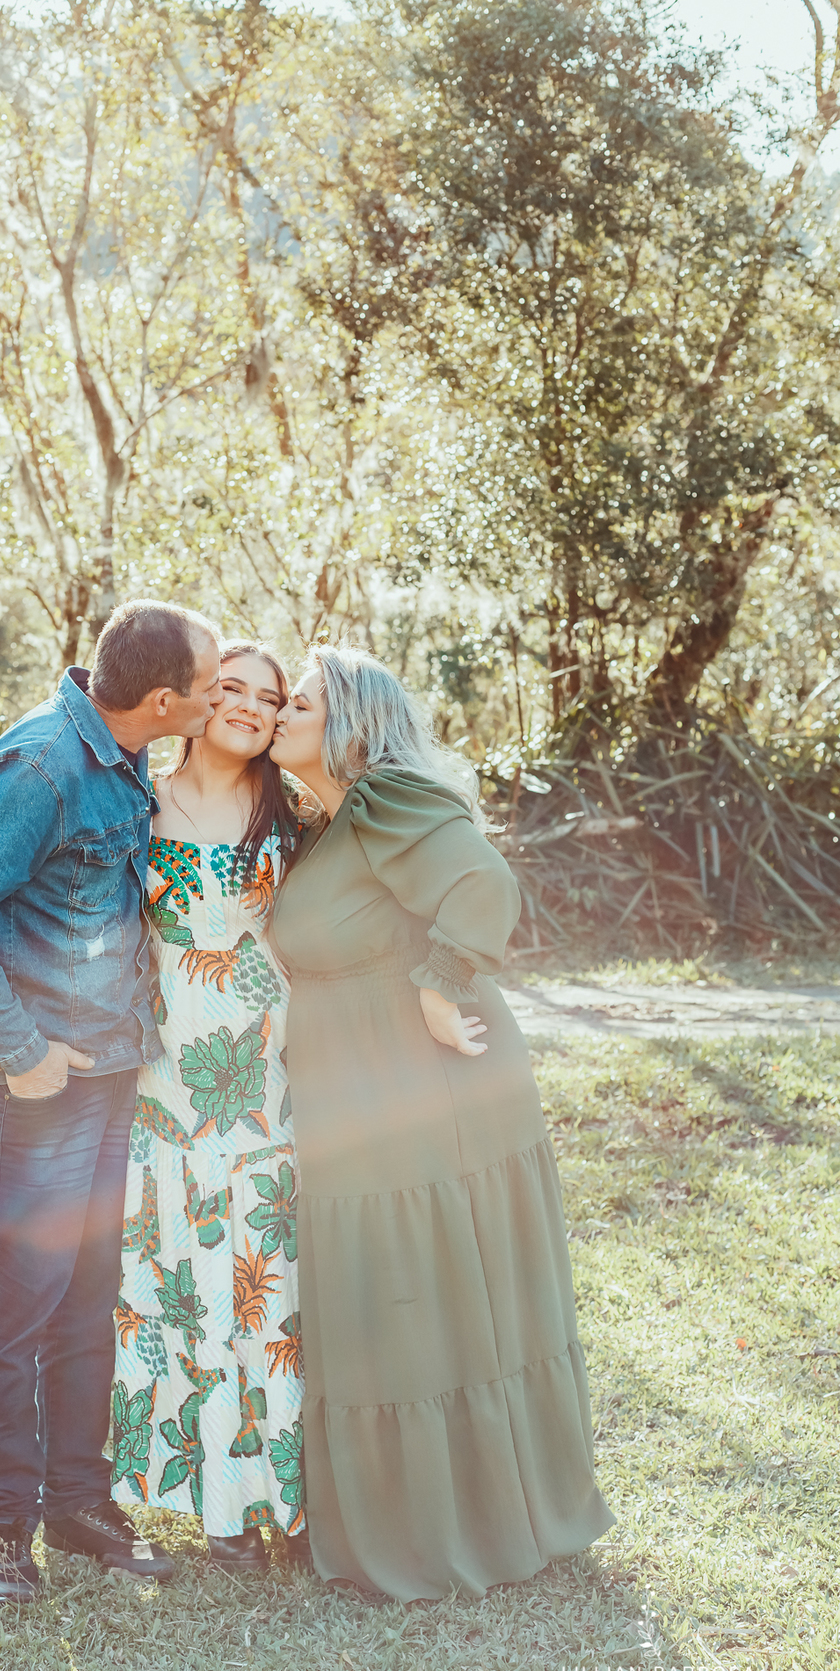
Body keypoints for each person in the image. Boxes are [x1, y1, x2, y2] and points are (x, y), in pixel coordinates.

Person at [267, 644, 614, 1601]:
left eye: (299, 698)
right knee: (394, 1285)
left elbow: (482, 884)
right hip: (357, 1088)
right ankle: (405, 1511)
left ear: (352, 722)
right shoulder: (320, 826)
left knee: (431, 1280)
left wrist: (440, 981)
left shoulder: (384, 799)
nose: (280, 711)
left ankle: (475, 1518)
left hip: (431, 1077)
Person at [0, 600, 223, 1602]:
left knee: (89, 1294)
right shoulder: (42, 765)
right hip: (30, 1090)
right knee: (16, 1302)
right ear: (164, 698)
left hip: (106, 1077)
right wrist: (20, 1049)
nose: (217, 698)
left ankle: (78, 1503)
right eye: (209, 685)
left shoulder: (123, 757)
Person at [109, 643, 310, 1573]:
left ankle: (291, 1501)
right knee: (191, 1274)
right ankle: (221, 1509)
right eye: (231, 686)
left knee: (268, 1282)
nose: (250, 707)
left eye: (269, 699)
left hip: (265, 1069)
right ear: (195, 697)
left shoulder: (291, 809)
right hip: (171, 1069)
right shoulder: (134, 799)